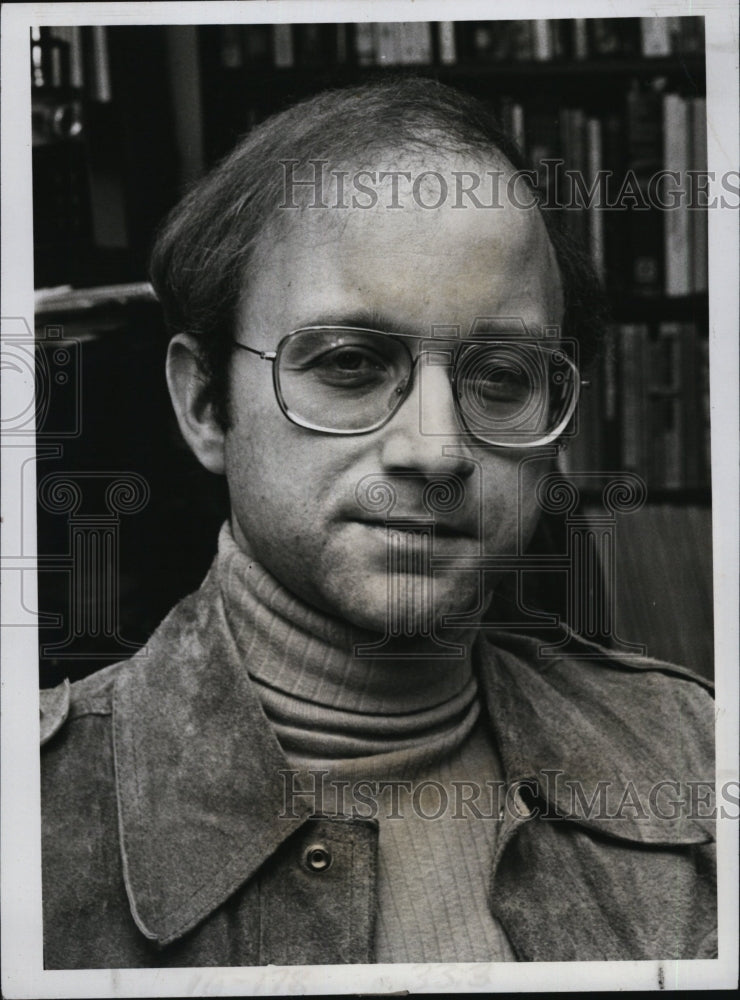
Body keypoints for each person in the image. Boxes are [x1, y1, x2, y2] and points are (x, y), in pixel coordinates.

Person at [40, 78, 716, 968]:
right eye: (351, 363)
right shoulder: (34, 814)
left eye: (501, 377)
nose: (436, 451)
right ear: (204, 403)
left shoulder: (697, 753)